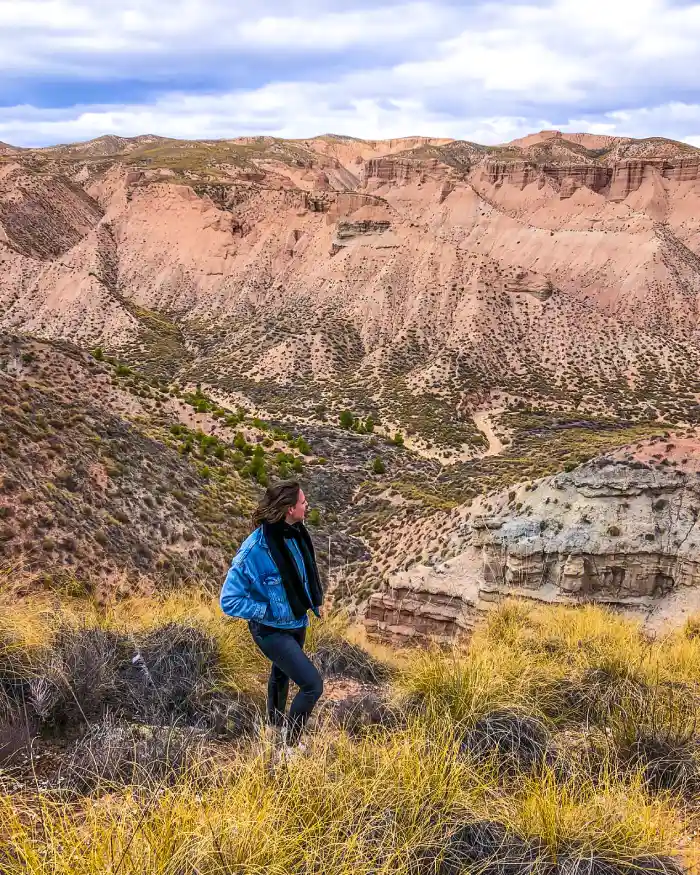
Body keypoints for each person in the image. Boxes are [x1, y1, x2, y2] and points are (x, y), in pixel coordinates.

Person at [220, 480, 324, 750]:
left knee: (281, 675)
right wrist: (265, 610)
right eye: (303, 502)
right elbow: (228, 600)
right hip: (270, 630)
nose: (307, 505)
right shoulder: (255, 550)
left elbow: (303, 572)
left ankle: (274, 732)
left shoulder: (296, 533)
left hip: (297, 620)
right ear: (290, 509)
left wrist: (311, 599)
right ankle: (290, 747)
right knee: (312, 685)